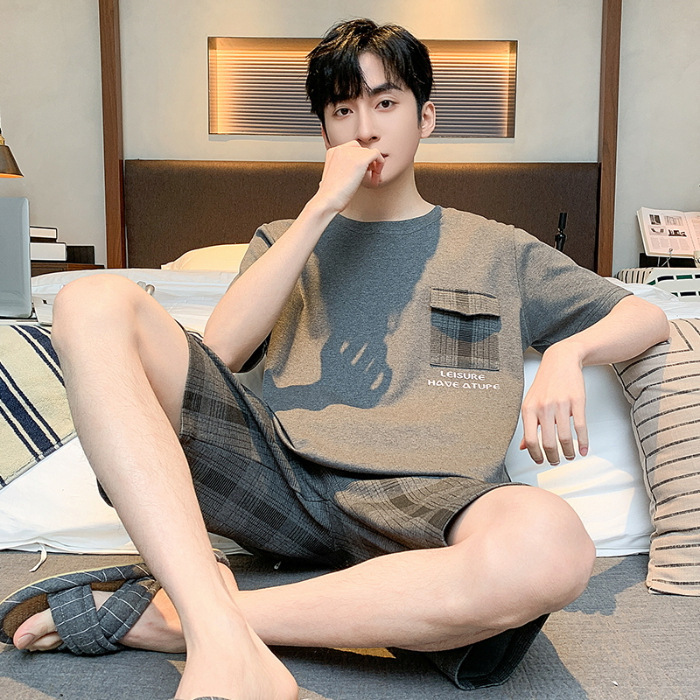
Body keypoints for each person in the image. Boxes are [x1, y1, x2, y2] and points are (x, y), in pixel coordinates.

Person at [4, 18, 668, 700]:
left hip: (429, 499)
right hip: (279, 476)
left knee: (555, 546)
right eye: (343, 111)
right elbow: (222, 350)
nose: (366, 128)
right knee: (90, 299)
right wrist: (322, 207)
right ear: (324, 132)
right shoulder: (284, 237)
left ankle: (191, 622)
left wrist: (568, 351)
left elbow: (647, 316)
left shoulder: (500, 251)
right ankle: (217, 629)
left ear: (425, 117)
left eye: (386, 103)